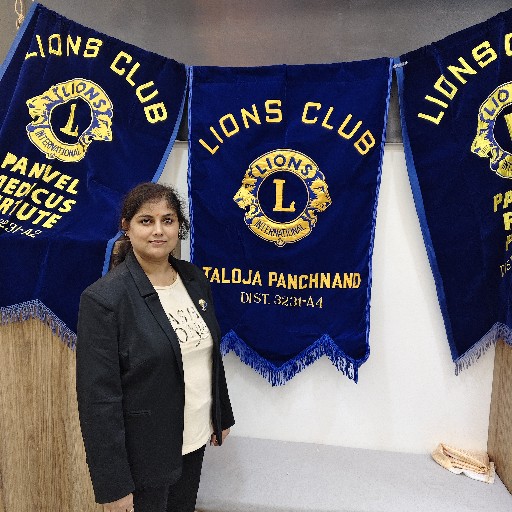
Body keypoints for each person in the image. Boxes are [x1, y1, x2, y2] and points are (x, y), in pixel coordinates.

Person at [76, 182, 234, 512]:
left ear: (179, 227)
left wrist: (221, 413)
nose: (158, 230)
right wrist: (114, 484)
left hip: (194, 438)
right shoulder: (104, 299)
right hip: (144, 456)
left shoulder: (193, 278)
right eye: (146, 221)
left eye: (168, 220)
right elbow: (98, 401)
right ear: (127, 227)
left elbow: (208, 352)